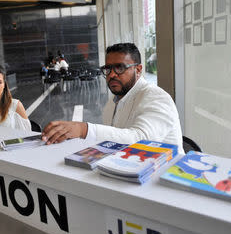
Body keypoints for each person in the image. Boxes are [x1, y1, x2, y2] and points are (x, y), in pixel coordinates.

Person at [41, 43, 184, 154]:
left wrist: (83, 129)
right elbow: (114, 141)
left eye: (120, 68)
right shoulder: (112, 103)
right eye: (108, 69)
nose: (112, 74)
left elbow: (141, 141)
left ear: (138, 69)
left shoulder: (157, 97)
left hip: (166, 182)